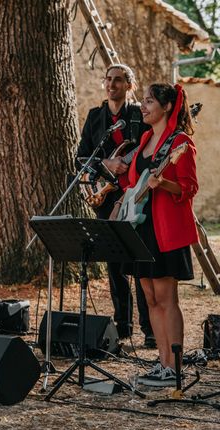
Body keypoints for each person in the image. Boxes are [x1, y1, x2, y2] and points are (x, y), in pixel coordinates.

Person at [76, 64, 154, 347]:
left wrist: (132, 166)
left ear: (129, 86)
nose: (112, 85)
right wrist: (106, 163)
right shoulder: (96, 117)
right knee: (115, 265)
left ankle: (150, 330)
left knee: (140, 260)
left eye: (119, 80)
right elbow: (81, 158)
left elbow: (153, 147)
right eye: (108, 80)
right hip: (105, 196)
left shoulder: (138, 115)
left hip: (137, 195)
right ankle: (123, 327)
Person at [125, 83, 198, 387]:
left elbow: (189, 187)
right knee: (150, 298)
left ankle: (175, 367)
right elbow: (133, 181)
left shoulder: (180, 143)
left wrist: (164, 184)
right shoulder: (144, 139)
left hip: (165, 230)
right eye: (143, 101)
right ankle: (162, 361)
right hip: (140, 227)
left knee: (167, 298)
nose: (143, 106)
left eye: (149, 101)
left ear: (167, 107)